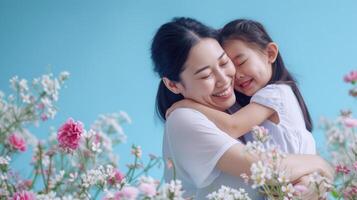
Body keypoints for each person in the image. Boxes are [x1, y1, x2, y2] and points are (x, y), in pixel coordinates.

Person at [151, 17, 333, 199]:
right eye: (206, 75)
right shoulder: (183, 118)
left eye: (224, 63)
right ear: (173, 85)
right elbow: (265, 169)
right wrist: (320, 164)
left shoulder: (243, 106)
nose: (225, 79)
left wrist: (314, 178)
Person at [166, 19, 315, 155]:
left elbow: (233, 126)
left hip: (295, 178)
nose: (236, 75)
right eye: (228, 64)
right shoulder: (247, 105)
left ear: (270, 53)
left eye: (241, 62)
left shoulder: (276, 93)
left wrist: (187, 105)